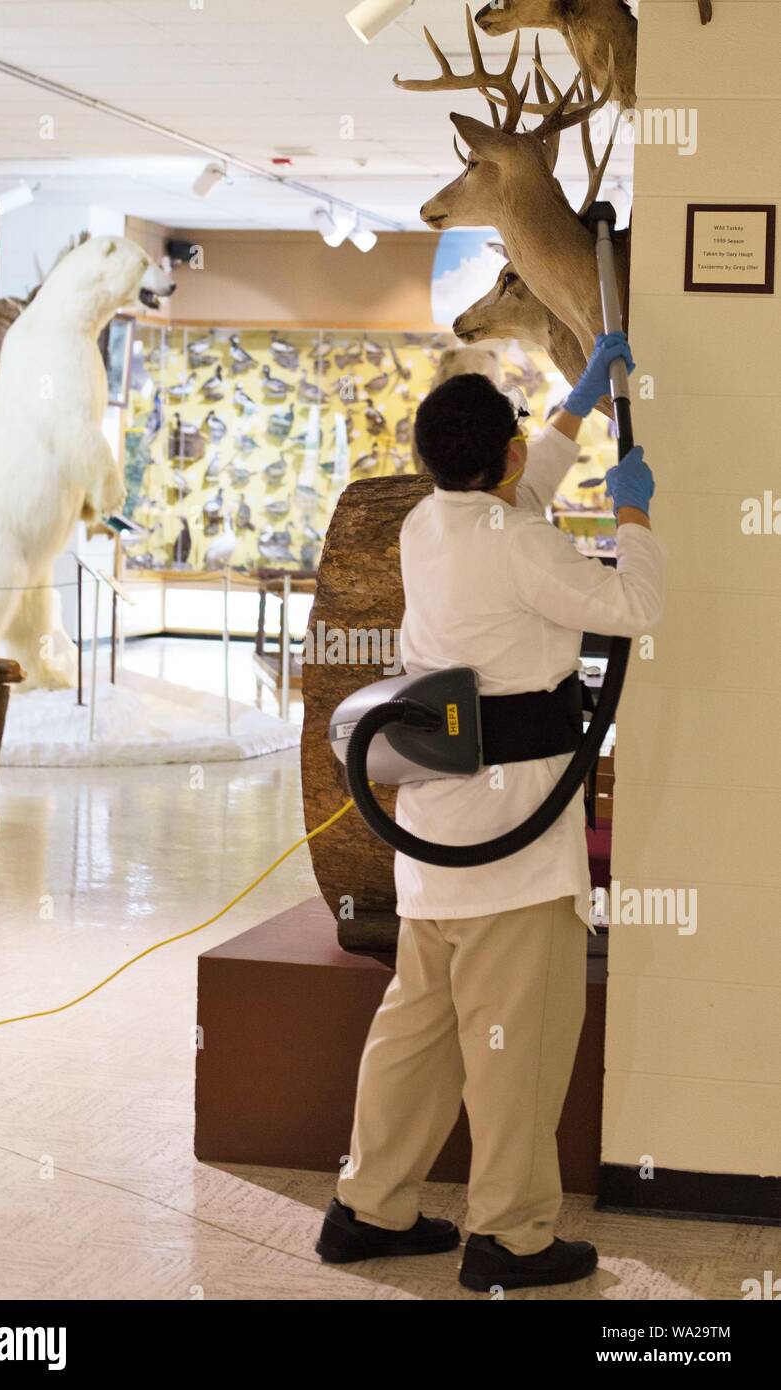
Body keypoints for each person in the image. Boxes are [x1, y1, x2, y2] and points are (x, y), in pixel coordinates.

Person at [316, 333, 665, 1292]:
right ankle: (510, 1237)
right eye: (519, 437)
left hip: (434, 849)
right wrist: (634, 512)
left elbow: (517, 491)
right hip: (513, 860)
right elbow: (638, 604)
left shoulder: (430, 525)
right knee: (517, 1050)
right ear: (500, 456)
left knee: (416, 1037)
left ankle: (367, 1207)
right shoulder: (523, 547)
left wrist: (577, 407)